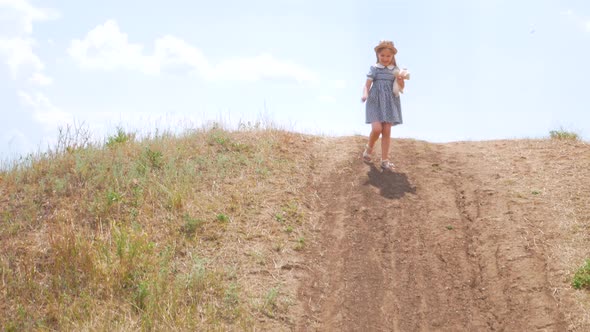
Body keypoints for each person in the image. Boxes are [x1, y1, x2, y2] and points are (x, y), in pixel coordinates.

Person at [361, 40, 406, 171]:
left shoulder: (396, 71)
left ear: (392, 56)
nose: (385, 58)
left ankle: (385, 160)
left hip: (390, 102)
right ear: (378, 55)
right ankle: (368, 149)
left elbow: (402, 88)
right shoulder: (374, 68)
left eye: (388, 56)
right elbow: (367, 84)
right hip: (375, 101)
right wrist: (365, 94)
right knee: (376, 129)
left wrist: (400, 80)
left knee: (386, 130)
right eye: (382, 55)